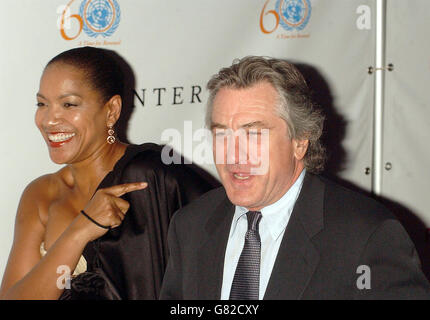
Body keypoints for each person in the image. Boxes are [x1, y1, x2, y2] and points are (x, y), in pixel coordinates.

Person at [160, 56, 430, 299]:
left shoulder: (367, 235)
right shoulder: (190, 226)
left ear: (300, 141)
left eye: (253, 134)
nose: (233, 155)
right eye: (221, 134)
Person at [0, 47, 216, 300]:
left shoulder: (154, 178)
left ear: (111, 110)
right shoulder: (42, 194)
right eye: (42, 104)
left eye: (69, 104)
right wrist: (80, 230)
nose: (48, 120)